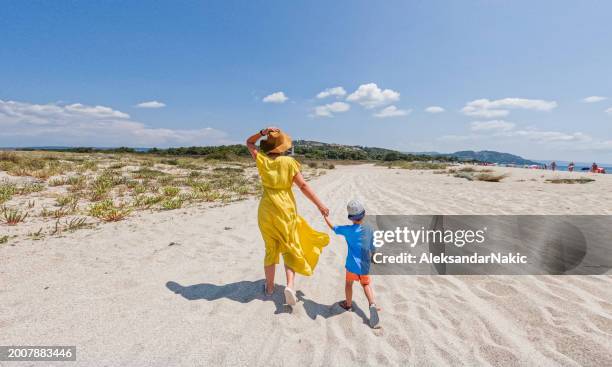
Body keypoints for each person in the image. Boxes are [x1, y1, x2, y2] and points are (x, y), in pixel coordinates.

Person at [246, 127, 330, 306]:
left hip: (266, 210)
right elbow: (304, 186)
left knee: (270, 248)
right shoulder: (289, 162)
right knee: (289, 246)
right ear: (283, 146)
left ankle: (269, 288)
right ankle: (290, 286)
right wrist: (320, 205)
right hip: (285, 210)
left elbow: (249, 142)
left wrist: (263, 132)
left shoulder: (262, 160)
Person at [323, 200, 381, 328]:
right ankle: (372, 304)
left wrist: (325, 217)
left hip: (352, 265)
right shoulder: (369, 229)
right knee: (366, 284)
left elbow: (333, 228)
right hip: (365, 265)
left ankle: (348, 305)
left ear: (351, 218)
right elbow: (373, 247)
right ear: (364, 215)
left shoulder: (348, 230)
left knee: (349, 284)